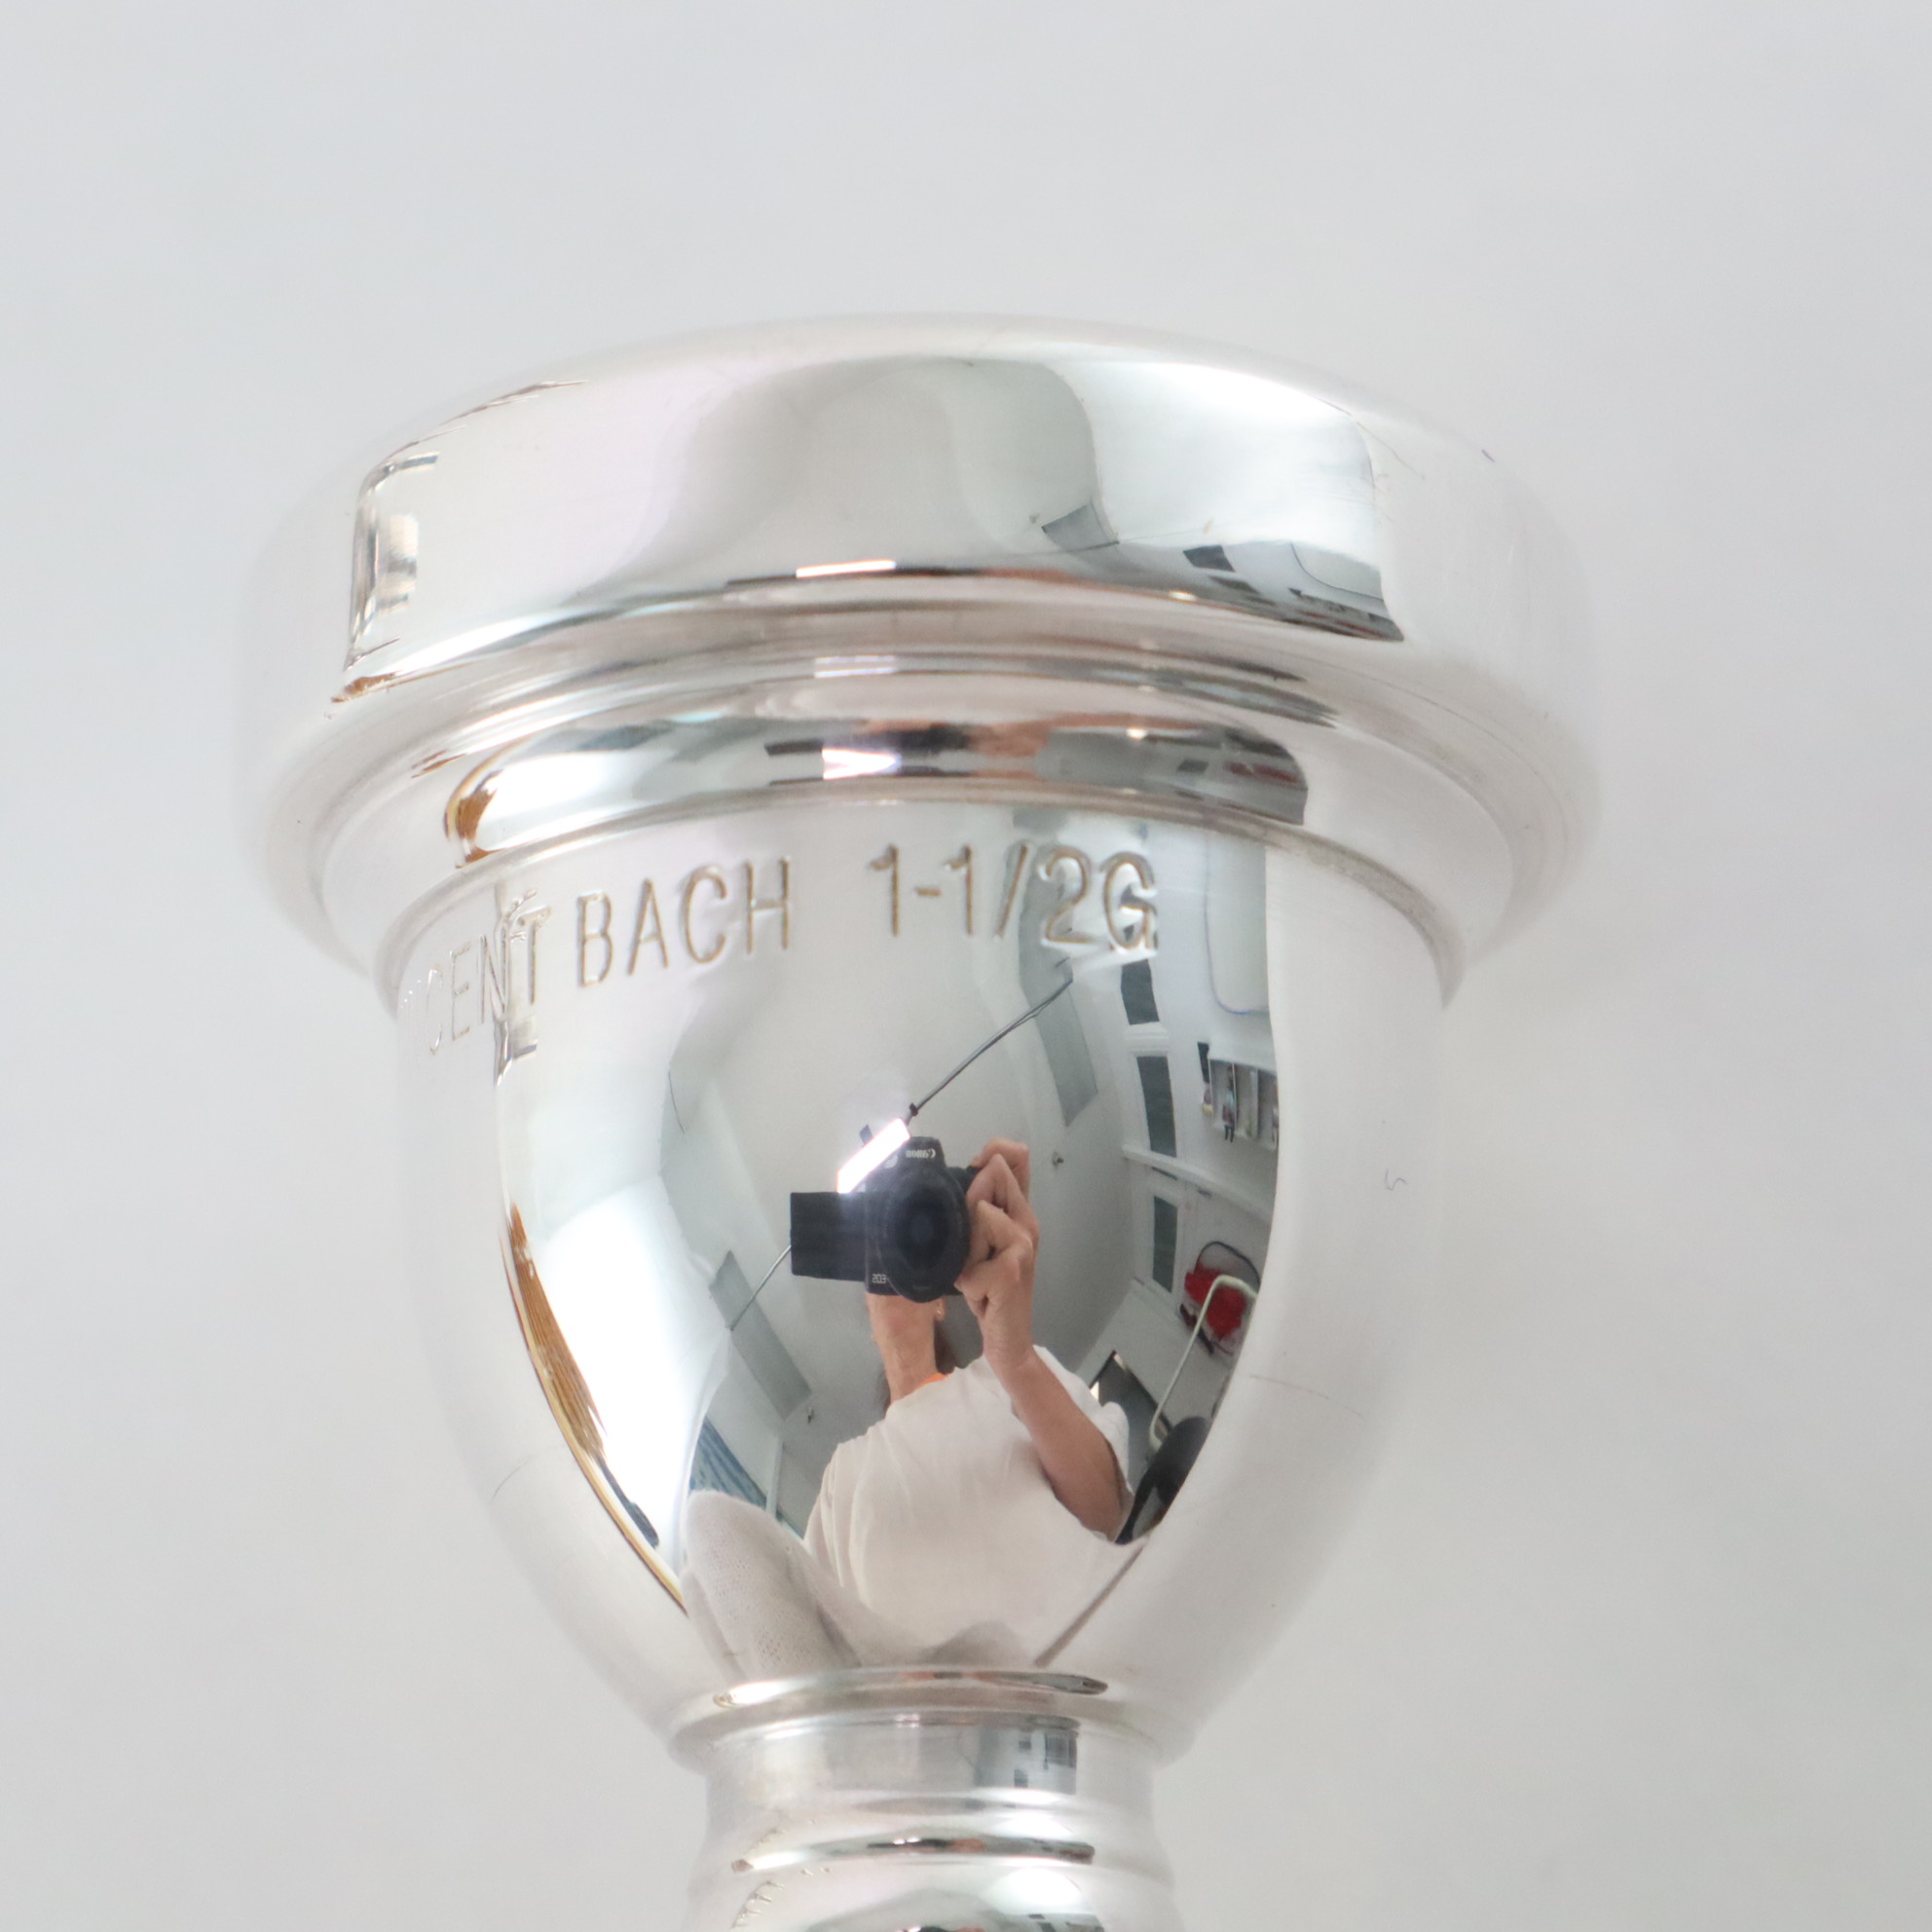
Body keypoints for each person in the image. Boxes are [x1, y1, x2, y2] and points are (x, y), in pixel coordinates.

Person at [681, 1137, 1133, 1676]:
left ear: (940, 1298)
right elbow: (824, 1626)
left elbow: (1104, 1511)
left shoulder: (1009, 1374)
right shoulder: (843, 1473)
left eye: (913, 1247)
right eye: (882, 1256)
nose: (896, 1264)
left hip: (1102, 1652)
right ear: (870, 1321)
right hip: (934, 1716)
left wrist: (1015, 1357)